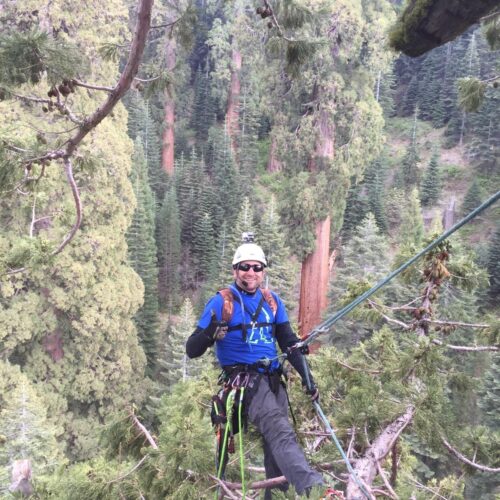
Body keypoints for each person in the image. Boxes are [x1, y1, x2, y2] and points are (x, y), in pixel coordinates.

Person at [186, 239, 324, 498]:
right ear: (235, 270)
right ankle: (315, 490)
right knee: (280, 432)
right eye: (245, 266)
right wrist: (209, 334)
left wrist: (308, 379)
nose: (251, 272)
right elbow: (191, 349)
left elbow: (288, 343)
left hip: (273, 380)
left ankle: (279, 496)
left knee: (276, 448)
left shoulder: (272, 302)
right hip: (245, 382)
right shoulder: (221, 303)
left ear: (264, 271)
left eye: (257, 267)